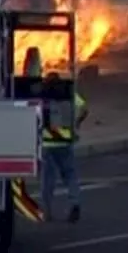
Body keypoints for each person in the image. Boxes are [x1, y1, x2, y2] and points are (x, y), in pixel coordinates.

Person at [39, 73, 88, 223]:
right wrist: (76, 124)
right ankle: (75, 203)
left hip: (47, 143)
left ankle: (46, 211)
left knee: (48, 179)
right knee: (70, 175)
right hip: (65, 141)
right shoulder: (68, 93)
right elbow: (84, 108)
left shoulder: (42, 95)